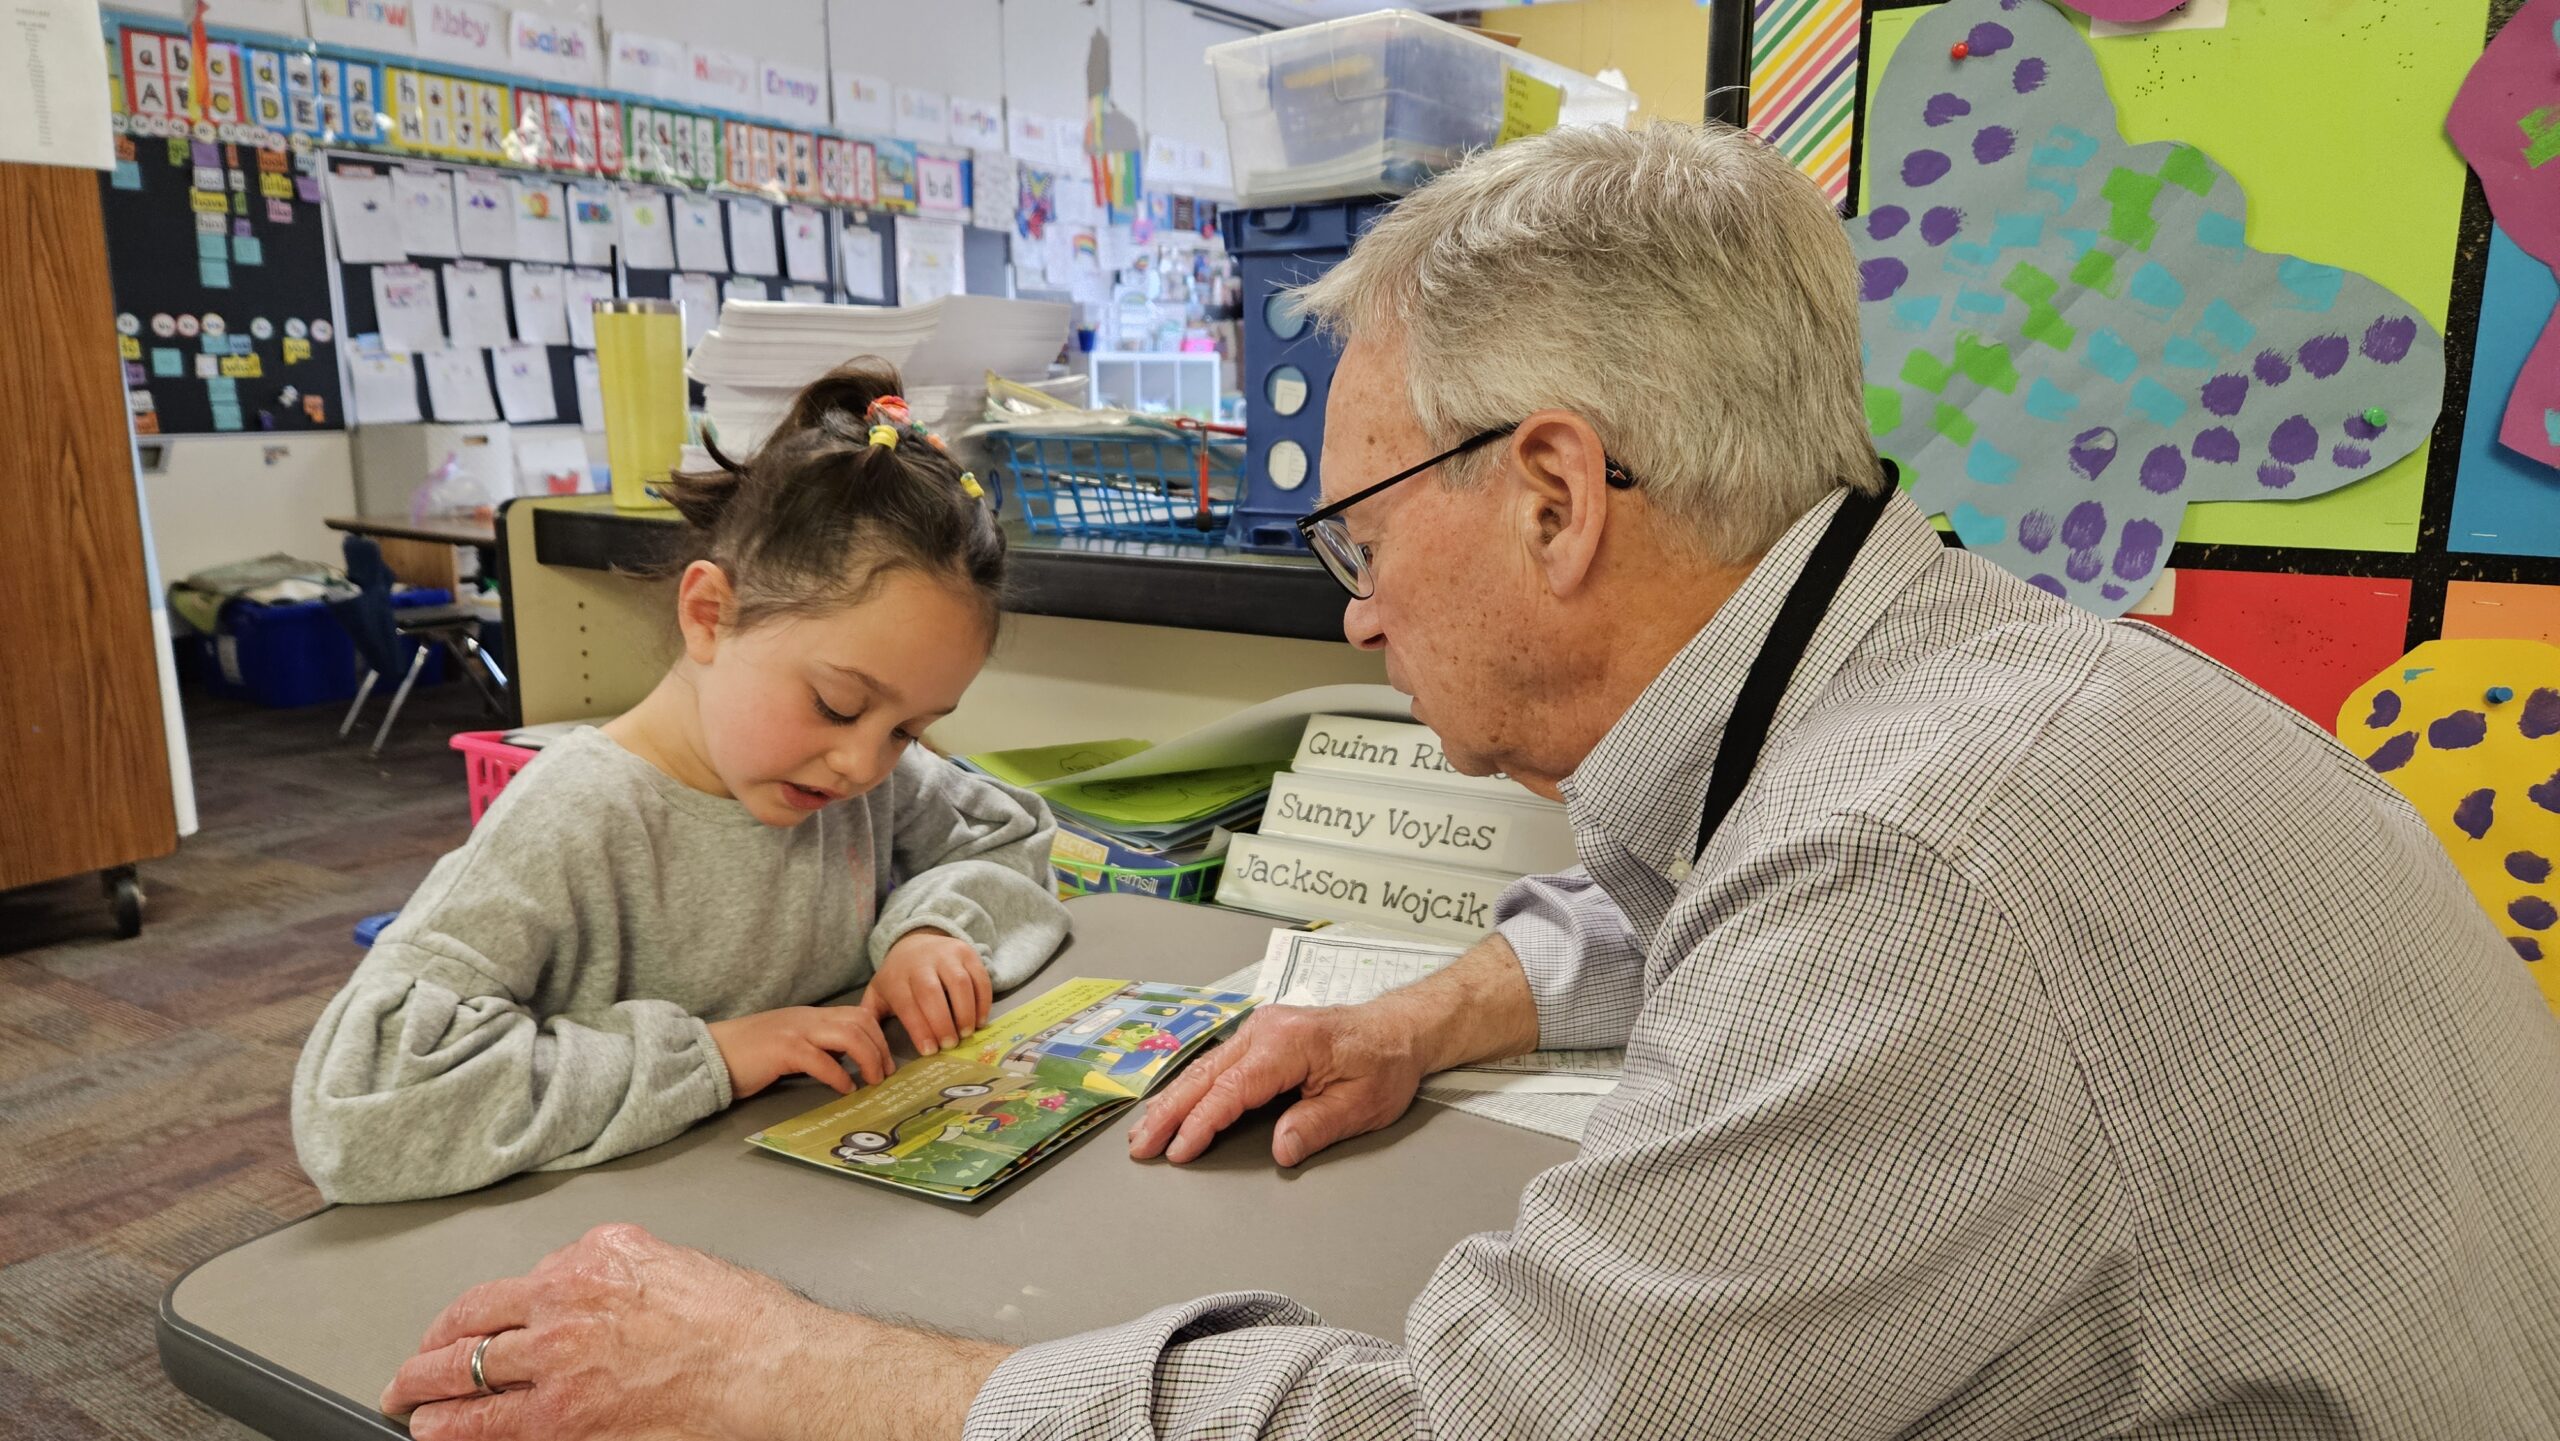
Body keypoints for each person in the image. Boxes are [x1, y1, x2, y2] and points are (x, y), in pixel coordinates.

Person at [379, 123, 2560, 1438]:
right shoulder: (1974, 691)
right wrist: (1441, 1005)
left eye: (1356, 534)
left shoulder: (1906, 872)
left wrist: (810, 1382)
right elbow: (1717, 894)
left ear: (1551, 496)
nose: (1351, 616)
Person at [293, 362, 1069, 1206]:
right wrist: (711, 1056)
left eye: (908, 729)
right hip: (604, 1231)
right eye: (836, 704)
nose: (863, 763)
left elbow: (1015, 840)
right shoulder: (571, 816)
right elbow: (359, 1109)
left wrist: (935, 928)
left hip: (789, 1203)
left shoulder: (868, 773)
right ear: (709, 615)